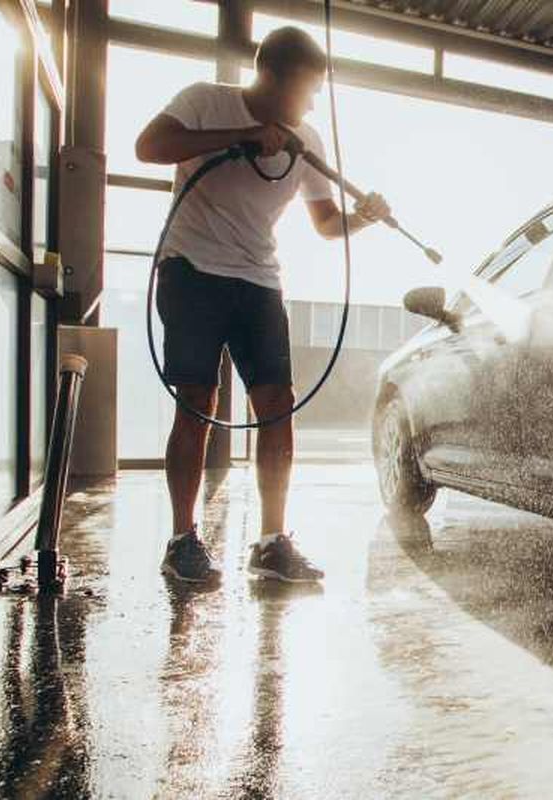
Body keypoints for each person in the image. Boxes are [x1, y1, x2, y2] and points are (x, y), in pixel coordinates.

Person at [135, 26, 389, 584]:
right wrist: (245, 134)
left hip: (258, 280)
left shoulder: (309, 139)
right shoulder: (205, 100)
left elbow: (325, 224)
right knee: (196, 399)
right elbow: (148, 146)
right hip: (192, 270)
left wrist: (362, 219)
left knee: (277, 403)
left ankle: (272, 543)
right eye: (305, 88)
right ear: (268, 77)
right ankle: (183, 540)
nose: (311, 101)